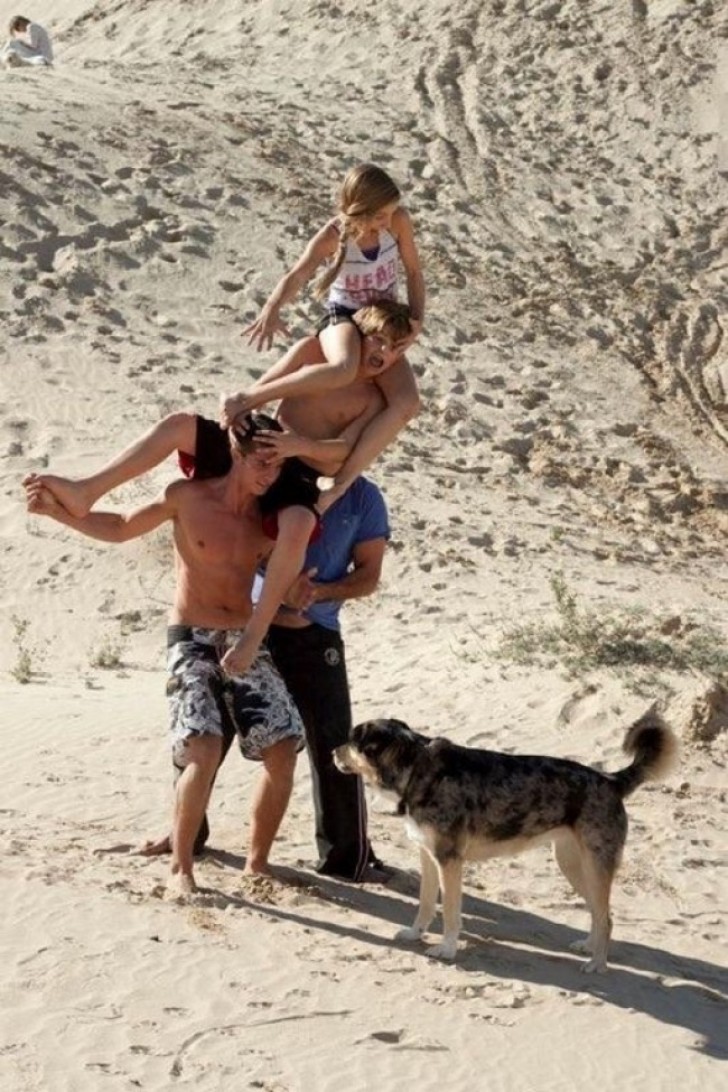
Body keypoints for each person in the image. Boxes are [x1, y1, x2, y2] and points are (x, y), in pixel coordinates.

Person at [24, 301, 412, 680]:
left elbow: (342, 456)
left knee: (297, 522)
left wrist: (300, 446)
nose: (383, 352)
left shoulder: (374, 401)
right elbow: (259, 391)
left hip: (298, 472)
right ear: (355, 333)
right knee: (179, 425)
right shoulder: (311, 352)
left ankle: (253, 635)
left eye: (395, 348)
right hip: (262, 444)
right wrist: (238, 416)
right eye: (377, 339)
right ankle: (87, 489)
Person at [24, 414, 305, 897]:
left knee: (282, 752)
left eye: (277, 467)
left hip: (243, 637)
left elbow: (285, 583)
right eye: (261, 462)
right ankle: (181, 868)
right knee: (204, 749)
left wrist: (299, 595)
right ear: (236, 452)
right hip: (191, 637)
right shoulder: (187, 497)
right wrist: (59, 514)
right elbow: (119, 527)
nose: (268, 475)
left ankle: (256, 865)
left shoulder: (271, 519)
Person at [143, 476, 391, 883]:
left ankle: (348, 858)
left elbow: (368, 576)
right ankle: (186, 836)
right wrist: (279, 588)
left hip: (316, 632)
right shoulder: (272, 484)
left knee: (333, 741)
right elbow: (237, 548)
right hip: (249, 625)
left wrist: (317, 592)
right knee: (205, 735)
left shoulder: (363, 497)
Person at [241, 163, 425, 497]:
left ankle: (340, 487)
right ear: (361, 209)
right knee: (343, 368)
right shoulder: (332, 235)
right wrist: (271, 309)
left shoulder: (398, 222)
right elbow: (298, 274)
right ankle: (251, 398)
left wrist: (416, 321)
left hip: (381, 319)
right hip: (343, 316)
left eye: (391, 212)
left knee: (407, 403)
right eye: (381, 214)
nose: (389, 219)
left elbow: (413, 272)